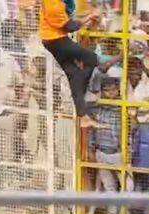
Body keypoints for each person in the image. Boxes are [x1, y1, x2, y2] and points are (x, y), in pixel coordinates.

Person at [39, 0, 119, 128]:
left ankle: (83, 116)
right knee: (88, 57)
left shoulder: (59, 3)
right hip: (55, 40)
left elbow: (70, 18)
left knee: (75, 74)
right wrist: (89, 17)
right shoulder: (53, 4)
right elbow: (70, 27)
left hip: (54, 39)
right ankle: (106, 61)